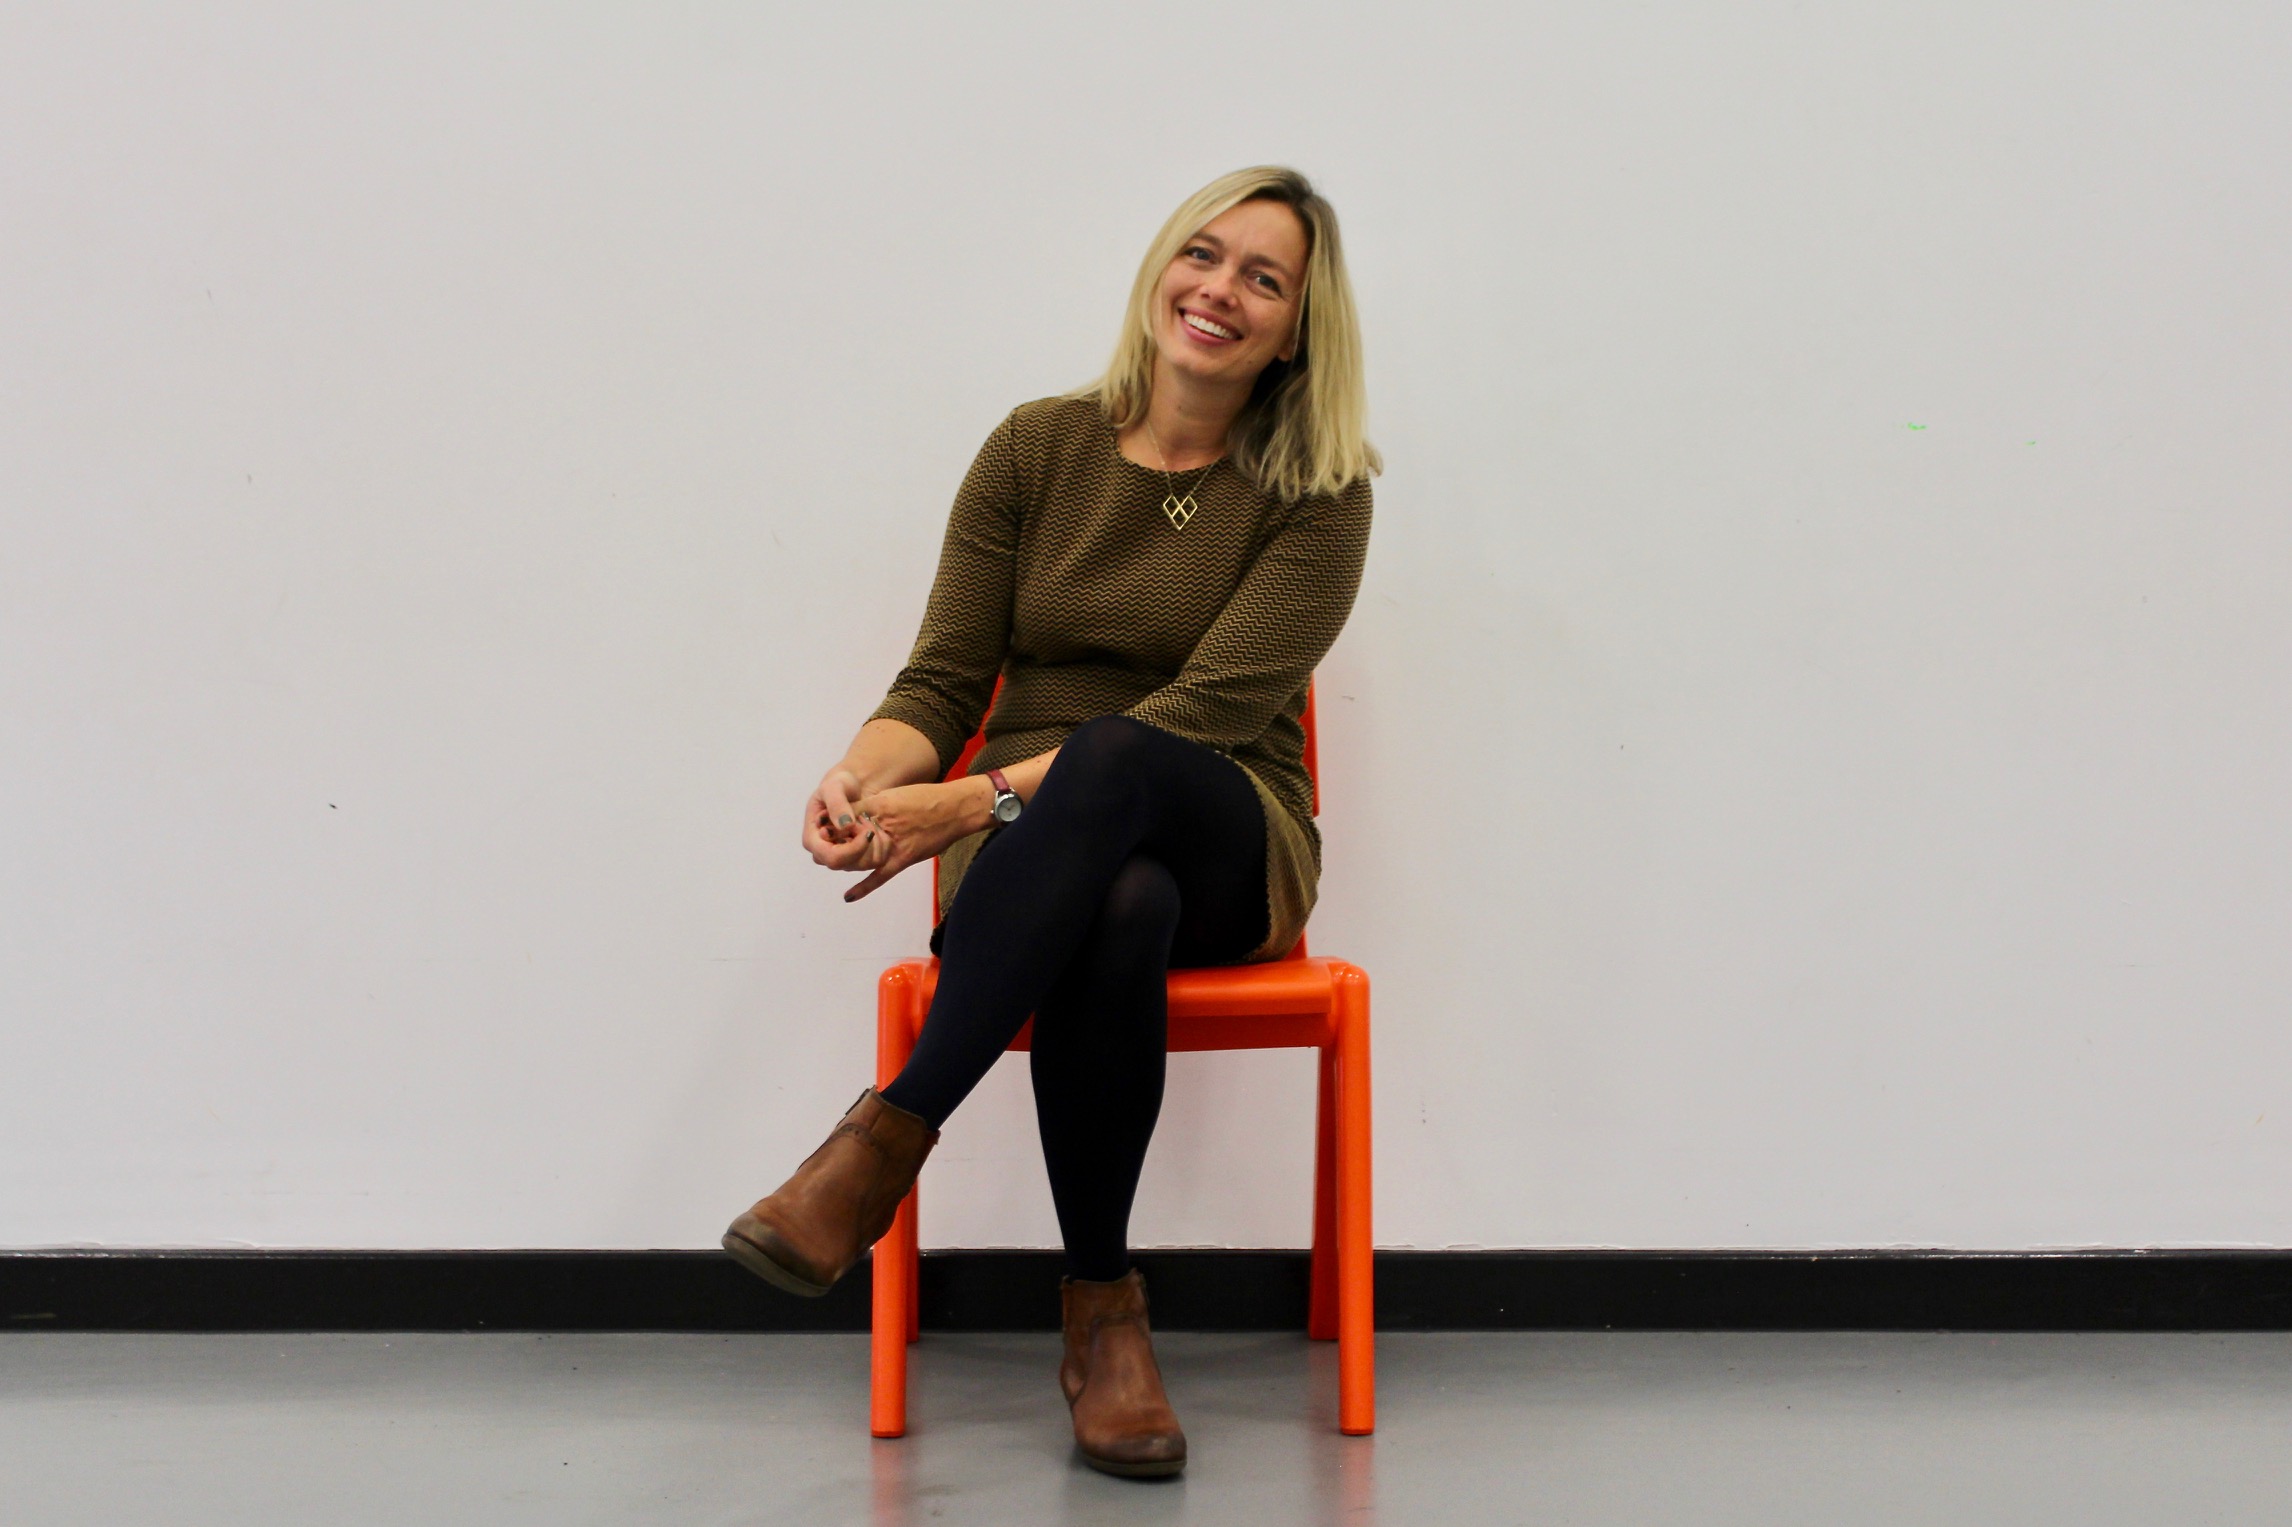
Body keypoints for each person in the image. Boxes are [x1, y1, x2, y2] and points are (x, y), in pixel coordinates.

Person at [723, 165, 1377, 1479]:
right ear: (1158, 270)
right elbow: (944, 678)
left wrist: (959, 800)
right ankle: (1102, 1316)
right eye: (1205, 256)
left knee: (1128, 758)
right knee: (1114, 900)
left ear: (1300, 329)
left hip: (1228, 832)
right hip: (1054, 860)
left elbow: (1201, 712)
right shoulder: (1037, 447)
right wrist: (862, 777)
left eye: (1265, 278)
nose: (1222, 291)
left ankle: (883, 1140)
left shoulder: (1323, 488)